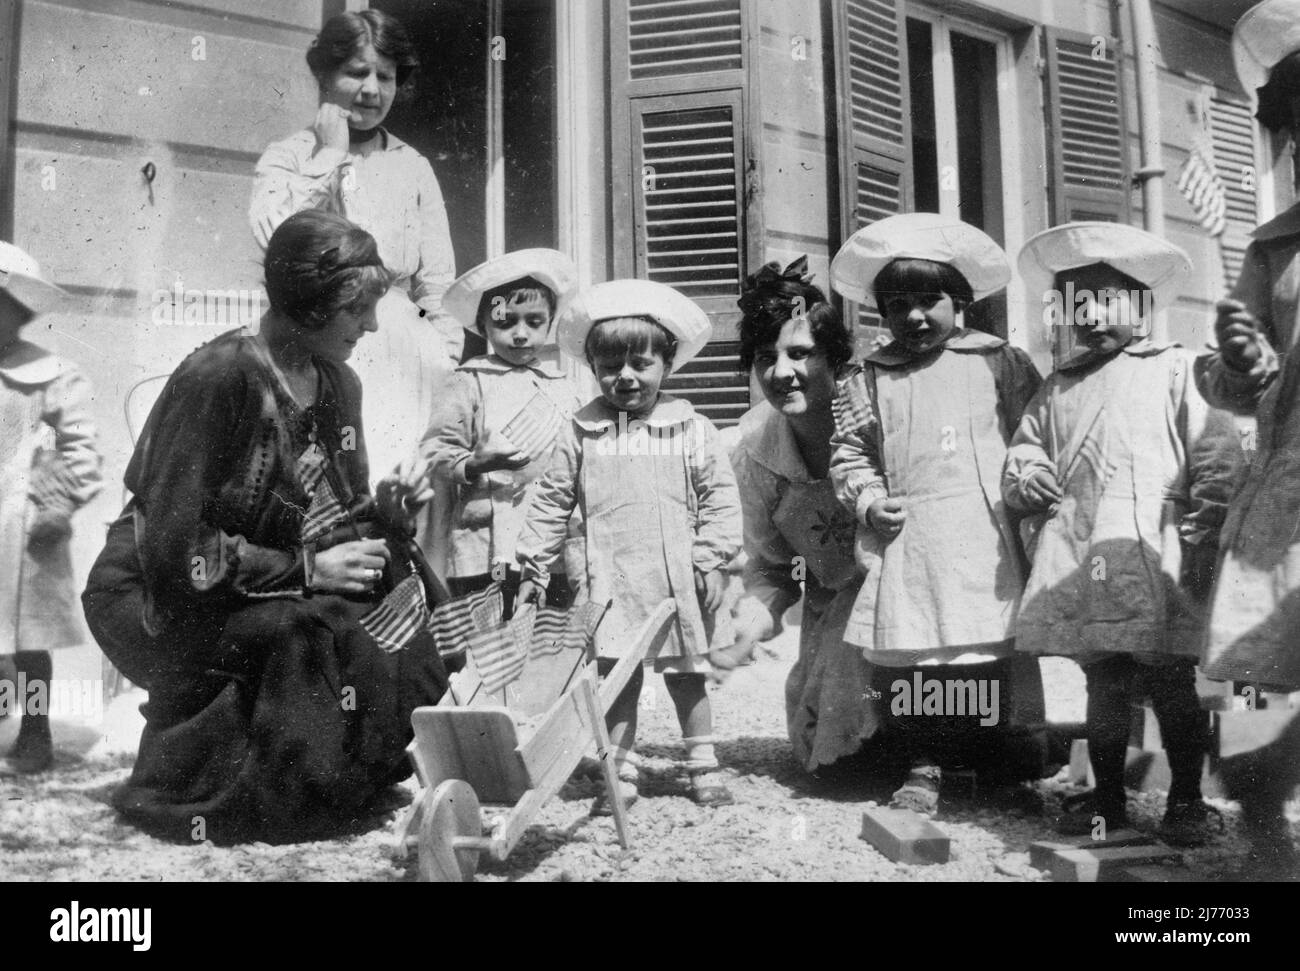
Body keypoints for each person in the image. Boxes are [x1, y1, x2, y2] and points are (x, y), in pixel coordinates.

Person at [81, 210, 447, 843]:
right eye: (357, 310)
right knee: (308, 624)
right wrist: (307, 571)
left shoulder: (338, 381)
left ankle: (354, 771)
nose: (372, 324)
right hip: (157, 595)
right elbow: (176, 549)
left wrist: (384, 513)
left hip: (254, 572)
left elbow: (334, 514)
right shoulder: (217, 378)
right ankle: (256, 792)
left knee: (397, 580)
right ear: (308, 302)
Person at [1006, 223, 1235, 846]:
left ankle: (1185, 799)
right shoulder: (1059, 389)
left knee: (1170, 681)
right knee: (1102, 680)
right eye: (1079, 307)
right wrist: (1029, 478)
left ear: (1143, 307)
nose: (1093, 318)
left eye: (1109, 302)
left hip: (1157, 546)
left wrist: (1207, 522)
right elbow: (1024, 453)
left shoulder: (1179, 369)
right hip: (1085, 547)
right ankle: (1108, 799)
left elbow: (1214, 454)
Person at [828, 213, 1047, 817]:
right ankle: (921, 763)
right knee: (916, 654)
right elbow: (848, 451)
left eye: (931, 301)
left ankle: (988, 758)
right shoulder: (869, 374)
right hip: (912, 532)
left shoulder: (999, 362)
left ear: (961, 302)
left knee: (983, 651)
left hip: (986, 532)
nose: (916, 317)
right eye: (899, 306)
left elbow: (1034, 433)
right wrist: (870, 499)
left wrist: (1032, 486)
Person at [514, 280, 743, 808]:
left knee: (687, 674)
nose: (626, 377)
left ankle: (701, 761)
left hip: (677, 574)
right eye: (610, 366)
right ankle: (620, 768)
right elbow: (550, 499)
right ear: (593, 369)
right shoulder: (581, 431)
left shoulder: (691, 426)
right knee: (619, 677)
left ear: (666, 363)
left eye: (641, 363)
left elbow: (721, 500)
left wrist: (711, 558)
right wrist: (534, 567)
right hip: (610, 575)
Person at [249, 9, 457, 483]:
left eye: (385, 76)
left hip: (408, 351)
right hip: (318, 342)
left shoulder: (413, 165)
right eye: (356, 72)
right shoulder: (288, 157)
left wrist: (444, 358)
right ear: (323, 73)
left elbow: (438, 281)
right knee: (335, 484)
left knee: (412, 489)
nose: (372, 90)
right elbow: (279, 242)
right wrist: (330, 155)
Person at [1187, 0, 1300, 874]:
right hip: (1290, 484)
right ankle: (1264, 837)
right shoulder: (1274, 246)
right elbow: (1234, 383)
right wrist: (1242, 360)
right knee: (1263, 661)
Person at [718, 257, 877, 775]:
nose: (781, 373)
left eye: (801, 354)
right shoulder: (757, 450)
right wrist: (748, 632)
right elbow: (773, 568)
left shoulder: (875, 422)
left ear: (834, 360)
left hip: (897, 598)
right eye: (766, 357)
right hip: (829, 605)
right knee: (823, 757)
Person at [418, 249, 584, 614]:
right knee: (487, 643)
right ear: (483, 325)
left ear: (550, 322)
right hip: (485, 542)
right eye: (506, 322)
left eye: (534, 322)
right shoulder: (468, 381)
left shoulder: (563, 388)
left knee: (547, 638)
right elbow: (434, 452)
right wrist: (474, 463)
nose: (521, 334)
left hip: (546, 545)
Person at [0, 241, 102, 774]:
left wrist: (56, 498)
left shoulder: (49, 374)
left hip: (23, 522)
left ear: (17, 310)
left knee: (30, 641)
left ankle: (35, 733)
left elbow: (81, 445)